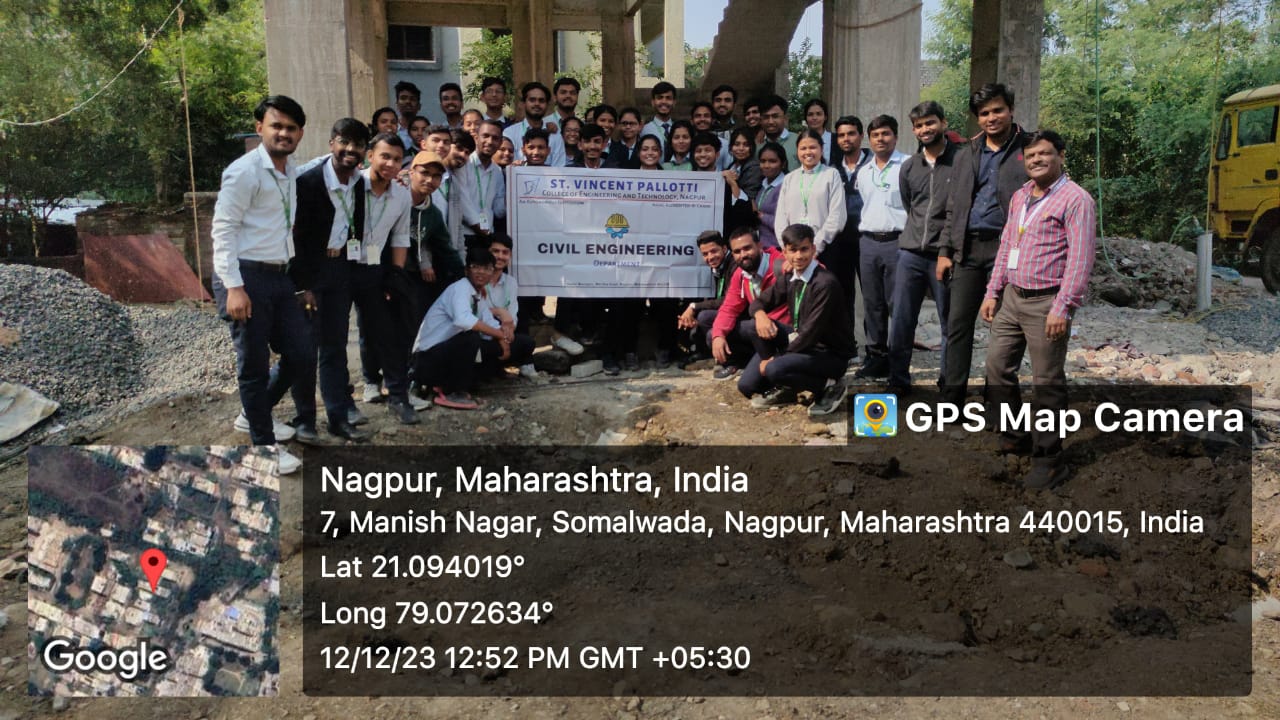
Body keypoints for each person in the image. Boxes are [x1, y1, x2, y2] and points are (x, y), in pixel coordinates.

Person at [980, 129, 1096, 489]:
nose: (1036, 160)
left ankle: (1049, 458)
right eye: (1030, 156)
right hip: (1011, 298)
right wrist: (993, 291)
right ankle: (1015, 436)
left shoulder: (1076, 200)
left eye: (1044, 154)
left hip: (1047, 302)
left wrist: (1063, 306)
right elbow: (1006, 246)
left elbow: (1080, 259)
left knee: (1046, 382)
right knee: (997, 368)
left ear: (1061, 155)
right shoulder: (1020, 196)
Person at [212, 95, 316, 474]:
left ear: (300, 133)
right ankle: (263, 447)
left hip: (278, 275)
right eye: (276, 126)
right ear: (260, 128)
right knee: (253, 365)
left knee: (301, 353)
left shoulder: (291, 170)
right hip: (244, 275)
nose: (283, 133)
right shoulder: (244, 172)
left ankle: (252, 413)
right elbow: (223, 230)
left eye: (291, 128)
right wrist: (234, 287)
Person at [936, 83, 1034, 404]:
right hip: (968, 249)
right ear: (977, 118)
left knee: (1003, 330)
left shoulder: (1029, 148)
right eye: (984, 113)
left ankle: (998, 406)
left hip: (1008, 250)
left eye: (997, 110)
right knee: (958, 325)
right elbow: (954, 205)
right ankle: (952, 401)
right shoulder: (967, 153)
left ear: (1011, 110)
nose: (991, 118)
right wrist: (945, 251)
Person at [290, 117, 373, 442]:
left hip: (340, 270)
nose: (351, 150)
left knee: (335, 347)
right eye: (344, 142)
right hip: (309, 274)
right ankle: (304, 420)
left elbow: (357, 225)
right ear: (331, 144)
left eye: (358, 145)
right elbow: (294, 238)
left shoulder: (358, 183)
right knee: (305, 349)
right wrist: (301, 285)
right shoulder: (307, 181)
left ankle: (338, 418)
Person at [342, 132, 422, 424]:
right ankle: (344, 403)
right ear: (370, 156)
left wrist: (395, 276)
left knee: (388, 333)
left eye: (397, 159)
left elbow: (400, 236)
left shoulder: (401, 194)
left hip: (374, 269)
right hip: (340, 267)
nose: (390, 163)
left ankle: (398, 397)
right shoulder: (349, 186)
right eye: (384, 156)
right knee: (336, 338)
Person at [739, 224, 855, 417]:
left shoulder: (825, 283)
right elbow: (759, 303)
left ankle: (829, 385)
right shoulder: (790, 277)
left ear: (813, 249)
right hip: (802, 343)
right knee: (747, 385)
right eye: (793, 250)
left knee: (775, 369)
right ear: (784, 252)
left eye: (804, 249)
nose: (799, 256)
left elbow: (810, 334)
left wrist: (777, 359)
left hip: (829, 353)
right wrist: (760, 316)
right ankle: (787, 383)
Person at [889, 101, 957, 394]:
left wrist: (947, 249)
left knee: (949, 322)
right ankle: (898, 382)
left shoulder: (961, 161)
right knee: (902, 320)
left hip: (945, 255)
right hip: (910, 253)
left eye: (930, 122)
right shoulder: (909, 167)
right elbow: (911, 206)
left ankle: (948, 384)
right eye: (919, 125)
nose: (925, 129)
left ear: (943, 123)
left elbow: (961, 211)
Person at [410, 247, 510, 410]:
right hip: (427, 358)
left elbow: (489, 322)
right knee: (470, 337)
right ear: (466, 270)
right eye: (475, 267)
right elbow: (464, 321)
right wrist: (499, 334)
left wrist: (504, 337)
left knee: (520, 344)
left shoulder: (478, 293)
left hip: (448, 352)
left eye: (486, 268)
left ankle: (470, 381)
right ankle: (450, 390)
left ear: (492, 272)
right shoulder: (460, 288)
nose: (481, 272)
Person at [853, 115, 910, 380]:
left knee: (898, 305)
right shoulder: (864, 172)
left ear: (895, 137)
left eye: (886, 134)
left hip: (898, 242)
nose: (880, 139)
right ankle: (876, 356)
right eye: (875, 135)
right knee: (872, 303)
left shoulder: (908, 165)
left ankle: (898, 362)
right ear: (869, 139)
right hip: (868, 243)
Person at [709, 226, 788, 380]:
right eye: (737, 251)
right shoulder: (741, 274)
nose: (743, 255)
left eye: (747, 248)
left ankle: (777, 366)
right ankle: (744, 364)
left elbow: (817, 271)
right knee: (713, 334)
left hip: (787, 332)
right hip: (763, 333)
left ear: (759, 246)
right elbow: (729, 308)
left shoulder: (781, 264)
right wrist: (718, 335)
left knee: (751, 326)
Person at [774, 129, 846, 284]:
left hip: (824, 249)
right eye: (803, 148)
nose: (808, 152)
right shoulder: (789, 178)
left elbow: (837, 216)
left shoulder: (831, 175)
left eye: (813, 147)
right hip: (794, 254)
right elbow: (781, 216)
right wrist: (789, 249)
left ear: (821, 149)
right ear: (797, 151)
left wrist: (815, 248)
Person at [827, 115, 871, 328]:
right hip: (840, 239)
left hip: (868, 239)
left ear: (861, 136)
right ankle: (847, 343)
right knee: (842, 294)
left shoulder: (874, 164)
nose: (846, 139)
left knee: (872, 295)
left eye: (851, 134)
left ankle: (875, 344)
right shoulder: (832, 169)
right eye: (841, 135)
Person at [407, 150, 461, 318]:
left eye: (436, 176)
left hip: (409, 276)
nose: (430, 180)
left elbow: (447, 250)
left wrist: (467, 279)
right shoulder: (395, 198)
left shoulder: (433, 214)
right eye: (424, 173)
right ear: (411, 172)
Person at [677, 230, 737, 362]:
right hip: (729, 310)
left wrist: (694, 306)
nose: (710, 257)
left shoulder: (734, 265)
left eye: (714, 251)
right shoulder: (718, 265)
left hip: (742, 313)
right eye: (705, 254)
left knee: (705, 318)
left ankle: (732, 360)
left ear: (724, 248)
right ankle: (709, 354)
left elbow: (729, 300)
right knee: (701, 320)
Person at [485, 234, 538, 379]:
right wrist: (498, 312)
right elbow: (475, 315)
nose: (500, 256)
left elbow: (512, 318)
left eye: (505, 252)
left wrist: (506, 335)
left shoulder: (511, 282)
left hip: (503, 334)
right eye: (495, 251)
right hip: (483, 335)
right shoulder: (478, 279)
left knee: (527, 343)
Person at [692, 132, 753, 234]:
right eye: (698, 151)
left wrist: (732, 184)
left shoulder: (727, 179)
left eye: (707, 150)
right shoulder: (687, 182)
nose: (703, 154)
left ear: (717, 154)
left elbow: (742, 207)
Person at [458, 120, 507, 243]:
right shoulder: (464, 164)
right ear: (476, 138)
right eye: (485, 136)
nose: (490, 141)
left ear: (500, 142)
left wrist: (512, 192)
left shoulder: (497, 171)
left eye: (495, 138)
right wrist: (479, 227)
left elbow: (498, 211)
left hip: (487, 235)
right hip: (464, 234)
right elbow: (461, 200)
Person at [503, 81, 568, 166]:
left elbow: (559, 168)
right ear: (524, 103)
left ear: (547, 105)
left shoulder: (555, 136)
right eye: (532, 100)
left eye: (541, 100)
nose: (537, 104)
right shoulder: (510, 133)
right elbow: (507, 165)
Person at [755, 142, 788, 250]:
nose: (766, 165)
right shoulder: (762, 184)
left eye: (772, 161)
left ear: (783, 164)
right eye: (763, 161)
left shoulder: (786, 187)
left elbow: (786, 224)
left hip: (778, 248)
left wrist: (760, 216)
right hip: (762, 247)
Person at [757, 95, 800, 171]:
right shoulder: (757, 145)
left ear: (785, 118)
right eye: (766, 117)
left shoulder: (799, 142)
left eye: (775, 116)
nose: (770, 122)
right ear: (760, 120)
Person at [724, 127, 762, 202]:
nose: (741, 148)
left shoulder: (754, 168)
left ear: (751, 147)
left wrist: (732, 182)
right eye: (737, 144)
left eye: (746, 145)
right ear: (731, 147)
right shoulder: (733, 165)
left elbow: (749, 199)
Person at [642, 81, 678, 150]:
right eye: (659, 98)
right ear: (653, 102)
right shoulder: (644, 130)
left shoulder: (680, 129)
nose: (664, 102)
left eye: (668, 98)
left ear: (674, 102)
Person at [802, 98, 833, 165]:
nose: (814, 118)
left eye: (819, 114)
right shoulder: (801, 141)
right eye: (810, 114)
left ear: (825, 117)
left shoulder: (836, 139)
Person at [394, 80, 422, 150]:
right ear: (397, 104)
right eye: (403, 98)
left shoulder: (428, 128)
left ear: (419, 106)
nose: (408, 101)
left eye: (412, 99)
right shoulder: (392, 128)